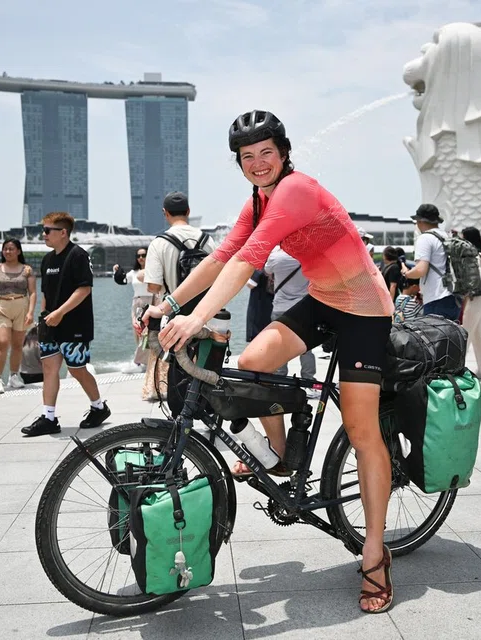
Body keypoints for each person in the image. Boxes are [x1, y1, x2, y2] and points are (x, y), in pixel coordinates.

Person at [141, 110, 396, 614]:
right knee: (255, 358)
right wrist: (171, 305)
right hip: (324, 298)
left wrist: (198, 321)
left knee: (361, 428)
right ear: (239, 164)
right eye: (247, 157)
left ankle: (374, 553)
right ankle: (281, 454)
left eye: (266, 153)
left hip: (364, 308)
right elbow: (221, 256)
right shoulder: (257, 201)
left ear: (283, 153)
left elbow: (248, 261)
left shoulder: (296, 191)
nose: (258, 163)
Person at [22, 212, 110, 437]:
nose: (43, 235)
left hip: (75, 325)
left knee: (76, 369)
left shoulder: (78, 255)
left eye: (47, 230)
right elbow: (45, 293)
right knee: (49, 368)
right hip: (51, 325)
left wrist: (60, 313)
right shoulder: (47, 259)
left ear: (63, 233)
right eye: (43, 230)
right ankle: (48, 418)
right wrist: (43, 317)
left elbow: (84, 289)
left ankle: (99, 407)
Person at [142, 192, 218, 401]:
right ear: (188, 212)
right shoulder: (207, 240)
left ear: (165, 213)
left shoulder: (159, 243)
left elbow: (153, 286)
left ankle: (182, 417)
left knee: (178, 369)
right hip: (208, 314)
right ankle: (207, 407)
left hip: (175, 316)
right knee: (207, 362)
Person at [0, 238, 37, 393]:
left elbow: (33, 292)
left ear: (18, 251)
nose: (7, 252)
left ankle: (14, 376)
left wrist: (30, 312)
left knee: (17, 345)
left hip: (21, 306)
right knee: (2, 343)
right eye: (5, 249)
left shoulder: (27, 270)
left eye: (11, 249)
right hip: (1, 307)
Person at [264, 246, 317, 391]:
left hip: (280, 307)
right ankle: (308, 381)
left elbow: (267, 271)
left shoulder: (276, 257)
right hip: (303, 307)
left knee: (279, 346)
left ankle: (280, 380)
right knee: (306, 346)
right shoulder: (307, 255)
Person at [401, 204, 458, 320]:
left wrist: (406, 273)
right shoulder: (447, 236)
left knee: (434, 337)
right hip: (454, 297)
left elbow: (421, 270)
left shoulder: (425, 238)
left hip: (436, 297)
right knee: (451, 336)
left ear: (420, 221)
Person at [459, 228, 481, 378]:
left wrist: (466, 292)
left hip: (474, 298)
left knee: (465, 334)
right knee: (478, 335)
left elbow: (475, 278)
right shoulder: (480, 255)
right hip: (480, 298)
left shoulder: (474, 256)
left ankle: (458, 368)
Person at [112, 247, 151, 374]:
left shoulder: (153, 270)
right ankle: (142, 360)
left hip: (150, 302)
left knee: (146, 332)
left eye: (144, 255)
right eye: (138, 256)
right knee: (137, 332)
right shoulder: (134, 273)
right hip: (136, 303)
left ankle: (139, 362)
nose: (141, 258)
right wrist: (117, 271)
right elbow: (122, 280)